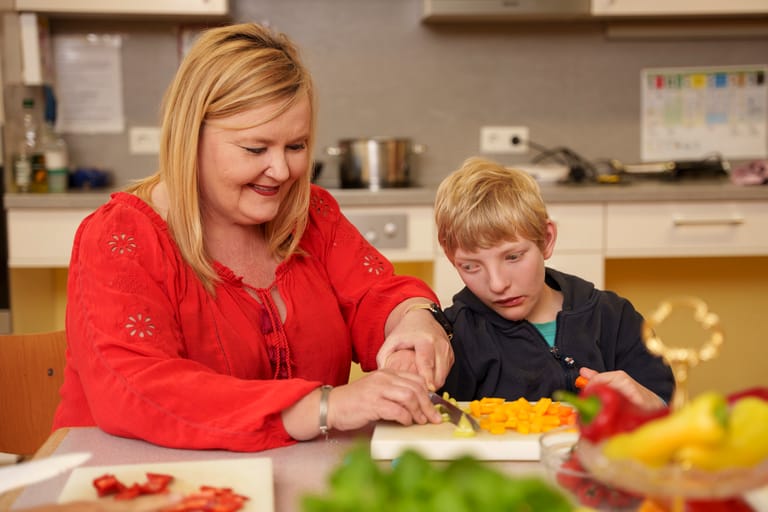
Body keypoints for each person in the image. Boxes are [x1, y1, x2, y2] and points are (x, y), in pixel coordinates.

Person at [51, 23, 453, 452]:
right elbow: (137, 389)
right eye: (255, 150)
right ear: (191, 137)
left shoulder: (311, 213)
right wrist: (323, 407)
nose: (281, 171)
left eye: (295, 147)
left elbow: (379, 295)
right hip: (136, 481)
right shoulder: (119, 237)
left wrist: (415, 324)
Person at [434, 157, 674, 409]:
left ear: (546, 240)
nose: (497, 284)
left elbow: (667, 405)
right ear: (452, 259)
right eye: (471, 266)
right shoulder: (453, 336)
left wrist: (649, 402)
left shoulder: (614, 317)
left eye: (513, 257)